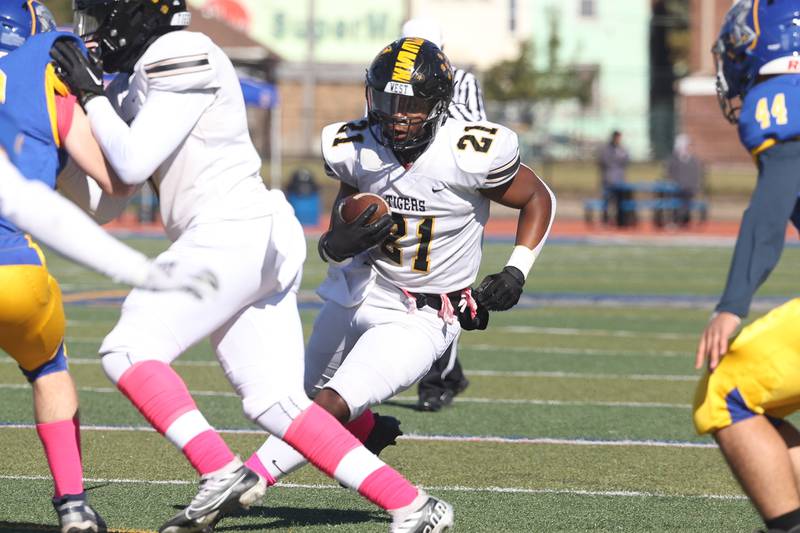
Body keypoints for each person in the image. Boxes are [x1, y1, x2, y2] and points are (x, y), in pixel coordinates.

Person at [51, 2, 454, 532]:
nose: (93, 31)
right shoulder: (134, 77)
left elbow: (128, 161)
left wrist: (89, 97)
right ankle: (415, 505)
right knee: (279, 403)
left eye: (100, 15)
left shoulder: (181, 49)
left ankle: (219, 469)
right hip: (244, 236)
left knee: (127, 350)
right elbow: (112, 195)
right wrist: (52, 147)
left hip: (231, 227)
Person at [242, 36, 555, 527]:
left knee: (326, 407)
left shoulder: (469, 150)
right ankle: (369, 428)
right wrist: (337, 240)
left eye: (410, 103)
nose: (396, 114)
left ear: (437, 102)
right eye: (387, 101)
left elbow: (539, 199)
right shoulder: (357, 144)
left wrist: (516, 271)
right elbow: (344, 215)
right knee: (304, 398)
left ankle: (250, 477)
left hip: (424, 312)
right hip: (362, 287)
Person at [0, 3, 216, 532]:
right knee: (49, 370)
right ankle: (73, 505)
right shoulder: (42, 69)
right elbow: (115, 186)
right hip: (11, 273)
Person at [693, 2, 800, 533]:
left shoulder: (779, 97)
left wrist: (731, 306)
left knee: (726, 391)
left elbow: (769, 210)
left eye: (739, 43)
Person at [400, 17, 486, 412]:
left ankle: (436, 381)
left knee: (442, 288)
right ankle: (448, 373)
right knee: (401, 284)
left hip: (446, 193)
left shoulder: (462, 80)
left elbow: (476, 130)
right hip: (404, 188)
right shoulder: (391, 74)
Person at [664, 133, 704, 227]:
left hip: (689, 188)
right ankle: (675, 220)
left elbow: (697, 175)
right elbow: (669, 173)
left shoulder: (694, 160)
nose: (689, 147)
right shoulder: (673, 159)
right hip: (677, 188)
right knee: (675, 203)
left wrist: (696, 186)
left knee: (686, 203)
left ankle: (685, 220)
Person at [597, 130, 632, 227]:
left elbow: (626, 160)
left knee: (620, 202)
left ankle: (620, 222)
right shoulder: (606, 149)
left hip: (620, 180)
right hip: (608, 180)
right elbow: (603, 162)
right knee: (607, 202)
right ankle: (605, 221)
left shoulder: (622, 149)